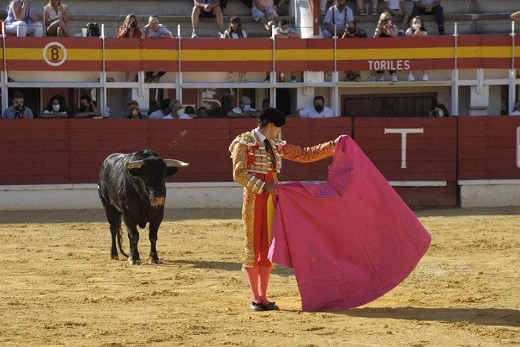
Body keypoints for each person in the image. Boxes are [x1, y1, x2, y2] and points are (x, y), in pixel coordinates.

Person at [229, 107, 337, 311]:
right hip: (254, 198)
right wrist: (263, 186)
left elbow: (304, 154)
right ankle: (255, 298)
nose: (279, 133)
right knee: (253, 246)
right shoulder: (243, 142)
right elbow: (238, 173)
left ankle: (263, 296)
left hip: (271, 199)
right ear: (271, 126)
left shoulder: (276, 145)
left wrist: (332, 146)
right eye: (277, 129)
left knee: (267, 245)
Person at [143, 15, 173, 83]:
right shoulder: (146, 28)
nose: (155, 25)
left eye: (157, 23)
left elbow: (169, 36)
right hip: (151, 51)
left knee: (169, 60)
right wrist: (150, 27)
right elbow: (147, 37)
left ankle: (158, 76)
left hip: (162, 51)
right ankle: (149, 76)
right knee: (151, 59)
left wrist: (157, 39)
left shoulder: (161, 27)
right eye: (153, 23)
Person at [269, 19, 300, 83]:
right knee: (281, 65)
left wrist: (286, 36)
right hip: (277, 52)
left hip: (290, 51)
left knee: (294, 62)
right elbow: (276, 36)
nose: (285, 29)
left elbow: (298, 36)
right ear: (280, 26)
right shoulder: (276, 30)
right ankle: (281, 79)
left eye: (286, 27)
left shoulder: (290, 30)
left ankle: (293, 77)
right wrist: (289, 37)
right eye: (283, 28)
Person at [374, 12, 399, 82]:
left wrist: (389, 28)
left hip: (391, 48)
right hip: (381, 48)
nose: (386, 20)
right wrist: (379, 27)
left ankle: (393, 74)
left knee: (391, 57)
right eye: (384, 19)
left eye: (388, 19)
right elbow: (375, 36)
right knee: (379, 57)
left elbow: (394, 35)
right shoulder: (380, 27)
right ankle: (381, 74)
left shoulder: (394, 27)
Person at [224, 17, 248, 83]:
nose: (233, 25)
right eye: (232, 23)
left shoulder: (242, 33)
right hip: (230, 52)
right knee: (230, 61)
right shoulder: (227, 32)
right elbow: (224, 43)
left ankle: (242, 75)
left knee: (242, 61)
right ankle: (231, 75)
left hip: (240, 52)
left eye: (235, 23)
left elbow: (246, 43)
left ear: (238, 24)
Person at [405, 16, 429, 81]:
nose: (417, 23)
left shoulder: (424, 31)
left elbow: (423, 35)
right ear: (412, 24)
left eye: (418, 22)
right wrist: (416, 32)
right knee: (411, 58)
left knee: (424, 58)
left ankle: (424, 74)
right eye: (415, 22)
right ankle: (410, 74)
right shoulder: (409, 30)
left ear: (421, 23)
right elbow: (409, 35)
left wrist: (419, 31)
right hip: (411, 49)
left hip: (422, 49)